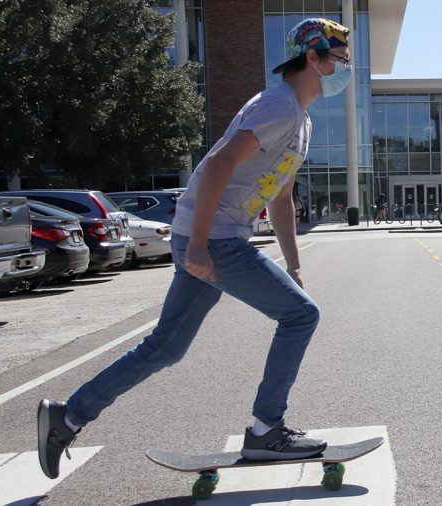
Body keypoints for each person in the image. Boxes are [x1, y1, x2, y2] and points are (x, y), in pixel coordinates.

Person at [37, 18, 353, 479]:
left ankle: (66, 417)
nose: (345, 69)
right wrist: (201, 244)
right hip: (217, 237)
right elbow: (219, 165)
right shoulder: (279, 106)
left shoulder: (298, 120)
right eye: (341, 59)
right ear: (314, 58)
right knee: (301, 315)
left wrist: (294, 263)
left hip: (210, 235)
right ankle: (267, 430)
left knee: (164, 347)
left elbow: (281, 196)